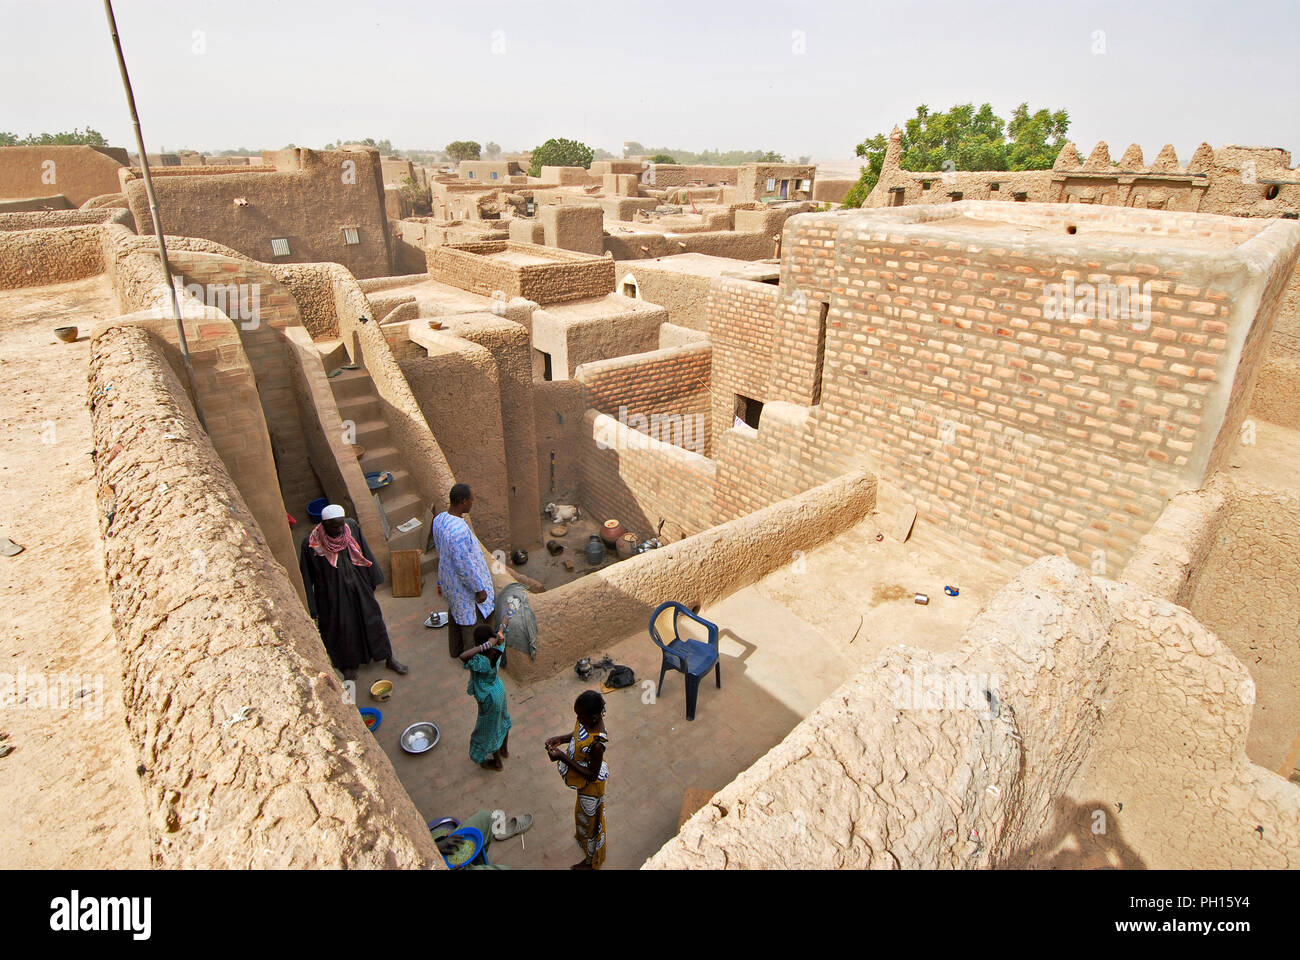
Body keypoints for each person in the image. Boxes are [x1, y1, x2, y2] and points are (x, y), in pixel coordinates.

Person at [299, 504, 408, 682]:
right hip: (333, 595)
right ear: (324, 525)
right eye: (334, 526)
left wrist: (372, 579)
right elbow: (306, 576)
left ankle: (387, 657)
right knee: (343, 629)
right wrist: (313, 607)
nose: (339, 529)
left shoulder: (350, 527)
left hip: (359, 585)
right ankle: (348, 665)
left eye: (340, 524)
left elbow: (365, 551)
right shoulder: (311, 544)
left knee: (373, 621)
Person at [429, 483, 495, 657]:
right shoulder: (458, 531)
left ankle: (455, 649)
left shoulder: (440, 519)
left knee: (455, 613)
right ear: (463, 502)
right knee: (470, 622)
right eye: (471, 500)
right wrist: (479, 589)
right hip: (462, 586)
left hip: (448, 580)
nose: (473, 502)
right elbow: (464, 567)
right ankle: (472, 657)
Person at [546, 690, 609, 870]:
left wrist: (563, 758)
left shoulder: (597, 745)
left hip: (592, 788)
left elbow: (592, 775)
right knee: (583, 816)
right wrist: (561, 739)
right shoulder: (587, 721)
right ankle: (584, 843)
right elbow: (577, 733)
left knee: (593, 824)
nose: (578, 720)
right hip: (583, 786)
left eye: (580, 717)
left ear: (594, 717)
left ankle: (592, 861)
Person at [459, 624, 511, 771]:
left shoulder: (480, 661)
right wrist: (498, 634)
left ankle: (497, 763)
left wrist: (483, 646)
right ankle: (505, 750)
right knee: (503, 720)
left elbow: (463, 656)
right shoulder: (498, 649)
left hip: (488, 697)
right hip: (498, 689)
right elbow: (503, 628)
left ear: (478, 643)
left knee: (489, 730)